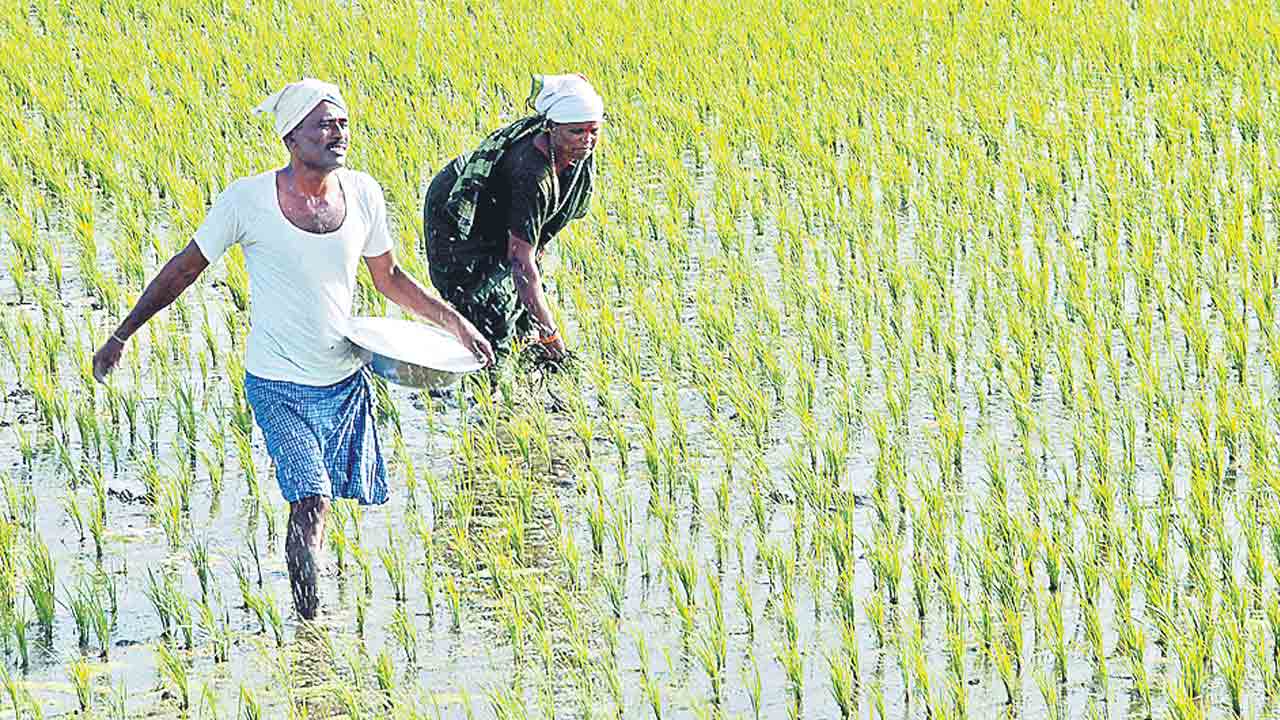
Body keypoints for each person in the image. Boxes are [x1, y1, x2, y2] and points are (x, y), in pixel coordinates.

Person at [92, 79, 494, 620]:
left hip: (344, 377)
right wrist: (122, 335)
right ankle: (312, 627)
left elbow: (391, 278)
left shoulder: (364, 193)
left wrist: (456, 326)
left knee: (321, 509)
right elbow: (186, 268)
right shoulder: (247, 200)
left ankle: (308, 608)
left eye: (344, 123)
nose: (338, 133)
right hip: (278, 380)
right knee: (311, 499)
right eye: (324, 124)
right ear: (291, 135)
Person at [422, 74, 603, 361]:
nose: (587, 140)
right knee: (487, 307)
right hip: (458, 215)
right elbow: (521, 260)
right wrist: (551, 332)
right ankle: (486, 385)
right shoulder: (530, 173)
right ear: (551, 128)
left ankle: (522, 349)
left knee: (522, 300)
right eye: (576, 131)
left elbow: (538, 234)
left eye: (594, 130)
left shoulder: (578, 153)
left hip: (502, 207)